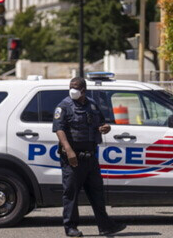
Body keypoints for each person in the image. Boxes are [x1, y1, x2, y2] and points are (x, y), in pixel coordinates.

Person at [52, 77, 126, 237]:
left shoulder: (92, 105)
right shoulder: (63, 106)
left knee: (97, 193)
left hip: (91, 158)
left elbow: (100, 123)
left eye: (76, 87)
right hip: (73, 159)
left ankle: (106, 226)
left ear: (84, 90)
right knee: (70, 193)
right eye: (71, 86)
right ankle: (70, 227)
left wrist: (105, 128)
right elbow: (59, 129)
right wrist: (68, 150)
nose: (72, 90)